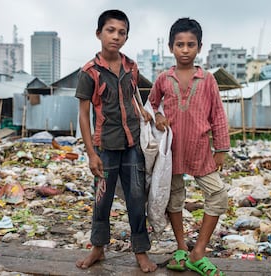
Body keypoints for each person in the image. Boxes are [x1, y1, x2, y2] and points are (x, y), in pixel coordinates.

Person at [75, 9, 157, 273]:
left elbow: (132, 95)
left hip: (132, 144)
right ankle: (98, 248)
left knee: (136, 197)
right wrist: (91, 154)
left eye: (122, 32)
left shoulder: (131, 67)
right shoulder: (89, 72)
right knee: (102, 199)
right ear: (99, 33)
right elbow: (84, 115)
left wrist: (143, 110)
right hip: (105, 147)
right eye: (110, 31)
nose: (116, 37)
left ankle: (140, 251)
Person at [148, 17, 229, 276]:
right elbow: (150, 107)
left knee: (218, 195)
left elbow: (217, 114)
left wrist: (221, 149)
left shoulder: (207, 80)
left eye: (190, 44)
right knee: (175, 199)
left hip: (200, 149)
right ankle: (182, 248)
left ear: (199, 47)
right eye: (180, 44)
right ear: (171, 47)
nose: (185, 49)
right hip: (171, 152)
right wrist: (158, 116)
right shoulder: (163, 78)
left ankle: (199, 252)